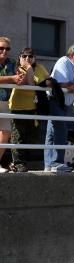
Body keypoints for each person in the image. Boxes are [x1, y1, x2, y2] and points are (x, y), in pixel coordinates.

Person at [45, 44, 74, 172]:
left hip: (67, 102)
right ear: (71, 55)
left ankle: (49, 164)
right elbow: (61, 83)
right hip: (56, 100)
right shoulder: (63, 61)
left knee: (53, 131)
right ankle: (55, 163)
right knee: (60, 129)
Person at [8, 47, 48, 172]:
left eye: (30, 56)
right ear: (19, 57)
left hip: (33, 107)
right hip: (17, 107)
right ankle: (18, 163)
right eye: (24, 56)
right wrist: (29, 68)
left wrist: (47, 83)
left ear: (34, 58)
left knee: (31, 136)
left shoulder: (40, 68)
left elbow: (48, 80)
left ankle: (24, 162)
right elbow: (29, 83)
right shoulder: (17, 68)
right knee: (17, 136)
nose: (27, 59)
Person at [0, 36, 17, 172]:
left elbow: (19, 78)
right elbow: (13, 78)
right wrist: (11, 78)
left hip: (6, 101)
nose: (4, 51)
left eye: (7, 48)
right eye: (1, 48)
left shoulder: (12, 62)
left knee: (6, 133)